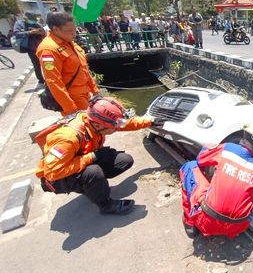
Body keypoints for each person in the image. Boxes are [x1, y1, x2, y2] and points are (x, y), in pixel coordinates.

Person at [35, 95, 166, 215]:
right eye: (113, 127)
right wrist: (91, 157)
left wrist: (150, 122)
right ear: (98, 124)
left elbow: (123, 124)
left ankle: (91, 187)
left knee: (124, 161)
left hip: (80, 159)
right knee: (94, 172)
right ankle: (106, 205)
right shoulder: (67, 138)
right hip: (57, 178)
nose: (117, 129)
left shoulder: (94, 120)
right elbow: (53, 173)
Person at [179, 124, 253, 238]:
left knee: (189, 167)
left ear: (247, 136)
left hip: (206, 222)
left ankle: (190, 223)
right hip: (236, 228)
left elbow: (201, 159)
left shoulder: (228, 149)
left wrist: (210, 144)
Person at [36, 12, 99, 116]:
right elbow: (53, 81)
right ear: (56, 29)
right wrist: (70, 108)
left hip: (86, 94)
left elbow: (83, 68)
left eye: (74, 29)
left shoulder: (68, 42)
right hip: (73, 99)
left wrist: (95, 90)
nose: (74, 34)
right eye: (70, 31)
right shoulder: (48, 49)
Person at [13, 13, 46, 85]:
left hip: (42, 47)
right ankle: (41, 80)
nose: (33, 22)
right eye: (31, 20)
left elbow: (44, 33)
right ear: (26, 19)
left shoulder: (36, 24)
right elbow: (17, 34)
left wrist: (39, 33)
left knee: (46, 63)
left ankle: (49, 78)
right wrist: (30, 32)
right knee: (36, 64)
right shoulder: (19, 23)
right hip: (31, 48)